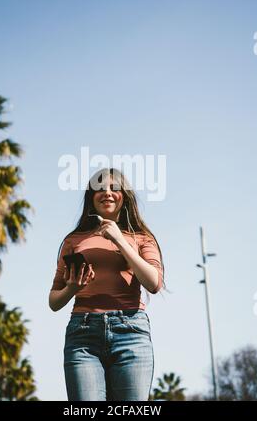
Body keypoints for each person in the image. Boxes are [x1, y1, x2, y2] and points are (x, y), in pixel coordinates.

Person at [49, 167, 165, 401]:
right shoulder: (74, 240)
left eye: (115, 188)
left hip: (131, 332)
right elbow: (53, 301)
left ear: (125, 196)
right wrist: (73, 287)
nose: (107, 193)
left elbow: (153, 283)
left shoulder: (142, 237)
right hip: (83, 334)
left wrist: (120, 240)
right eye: (99, 189)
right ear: (91, 197)